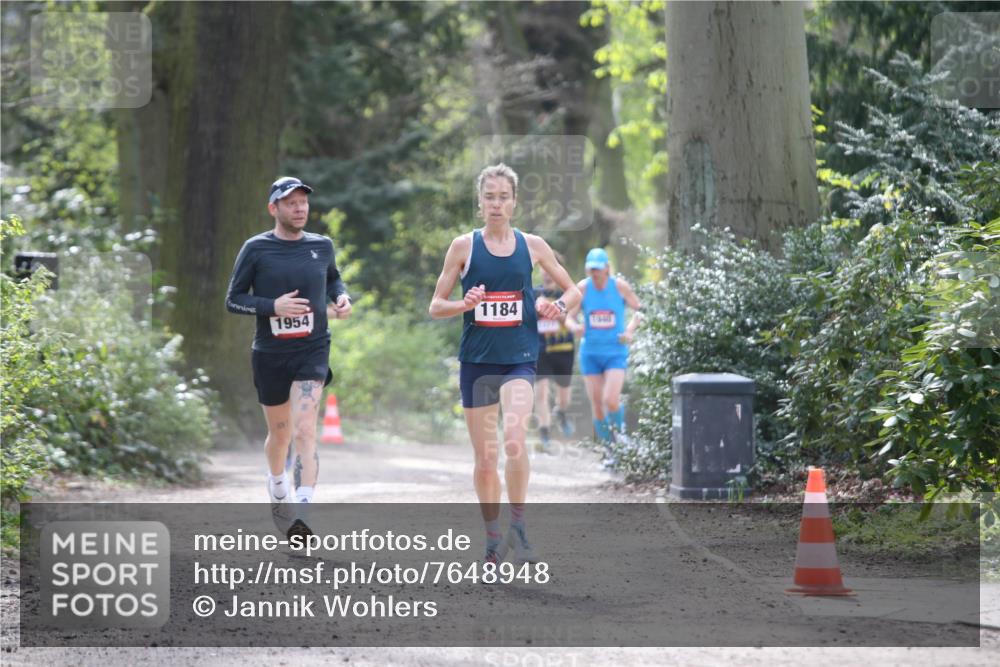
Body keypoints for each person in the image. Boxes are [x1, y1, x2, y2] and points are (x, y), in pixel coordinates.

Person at [429, 163, 580, 566]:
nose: (496, 204)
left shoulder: (532, 246)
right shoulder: (463, 247)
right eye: (489, 197)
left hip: (519, 360)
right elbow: (435, 305)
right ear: (480, 203)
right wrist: (464, 303)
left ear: (514, 202)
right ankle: (492, 539)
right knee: (484, 459)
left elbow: (572, 288)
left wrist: (558, 306)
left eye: (503, 197)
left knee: (514, 438)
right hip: (476, 362)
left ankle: (519, 526)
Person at [225, 176, 352, 538]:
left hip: (312, 349)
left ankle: (303, 515)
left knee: (304, 429)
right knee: (279, 435)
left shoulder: (321, 246)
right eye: (291, 202)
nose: (299, 208)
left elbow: (333, 279)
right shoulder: (256, 249)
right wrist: (272, 307)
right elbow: (233, 299)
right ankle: (278, 484)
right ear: (274, 208)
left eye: (303, 202)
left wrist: (341, 298)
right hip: (270, 354)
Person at [568, 248, 641, 446]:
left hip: (615, 352)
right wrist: (574, 327)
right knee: (598, 405)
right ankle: (609, 450)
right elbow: (568, 316)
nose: (595, 273)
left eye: (598, 269)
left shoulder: (619, 287)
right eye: (591, 269)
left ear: (607, 268)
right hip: (590, 353)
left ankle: (621, 435)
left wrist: (630, 331)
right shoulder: (582, 288)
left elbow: (640, 311)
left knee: (610, 399)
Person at [533, 258, 577, 453]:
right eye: (543, 269)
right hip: (540, 350)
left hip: (563, 349)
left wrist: (553, 310)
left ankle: (561, 411)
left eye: (551, 269)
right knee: (540, 393)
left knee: (564, 397)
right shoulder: (534, 293)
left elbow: (569, 318)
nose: (547, 273)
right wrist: (536, 306)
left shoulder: (568, 294)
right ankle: (544, 434)